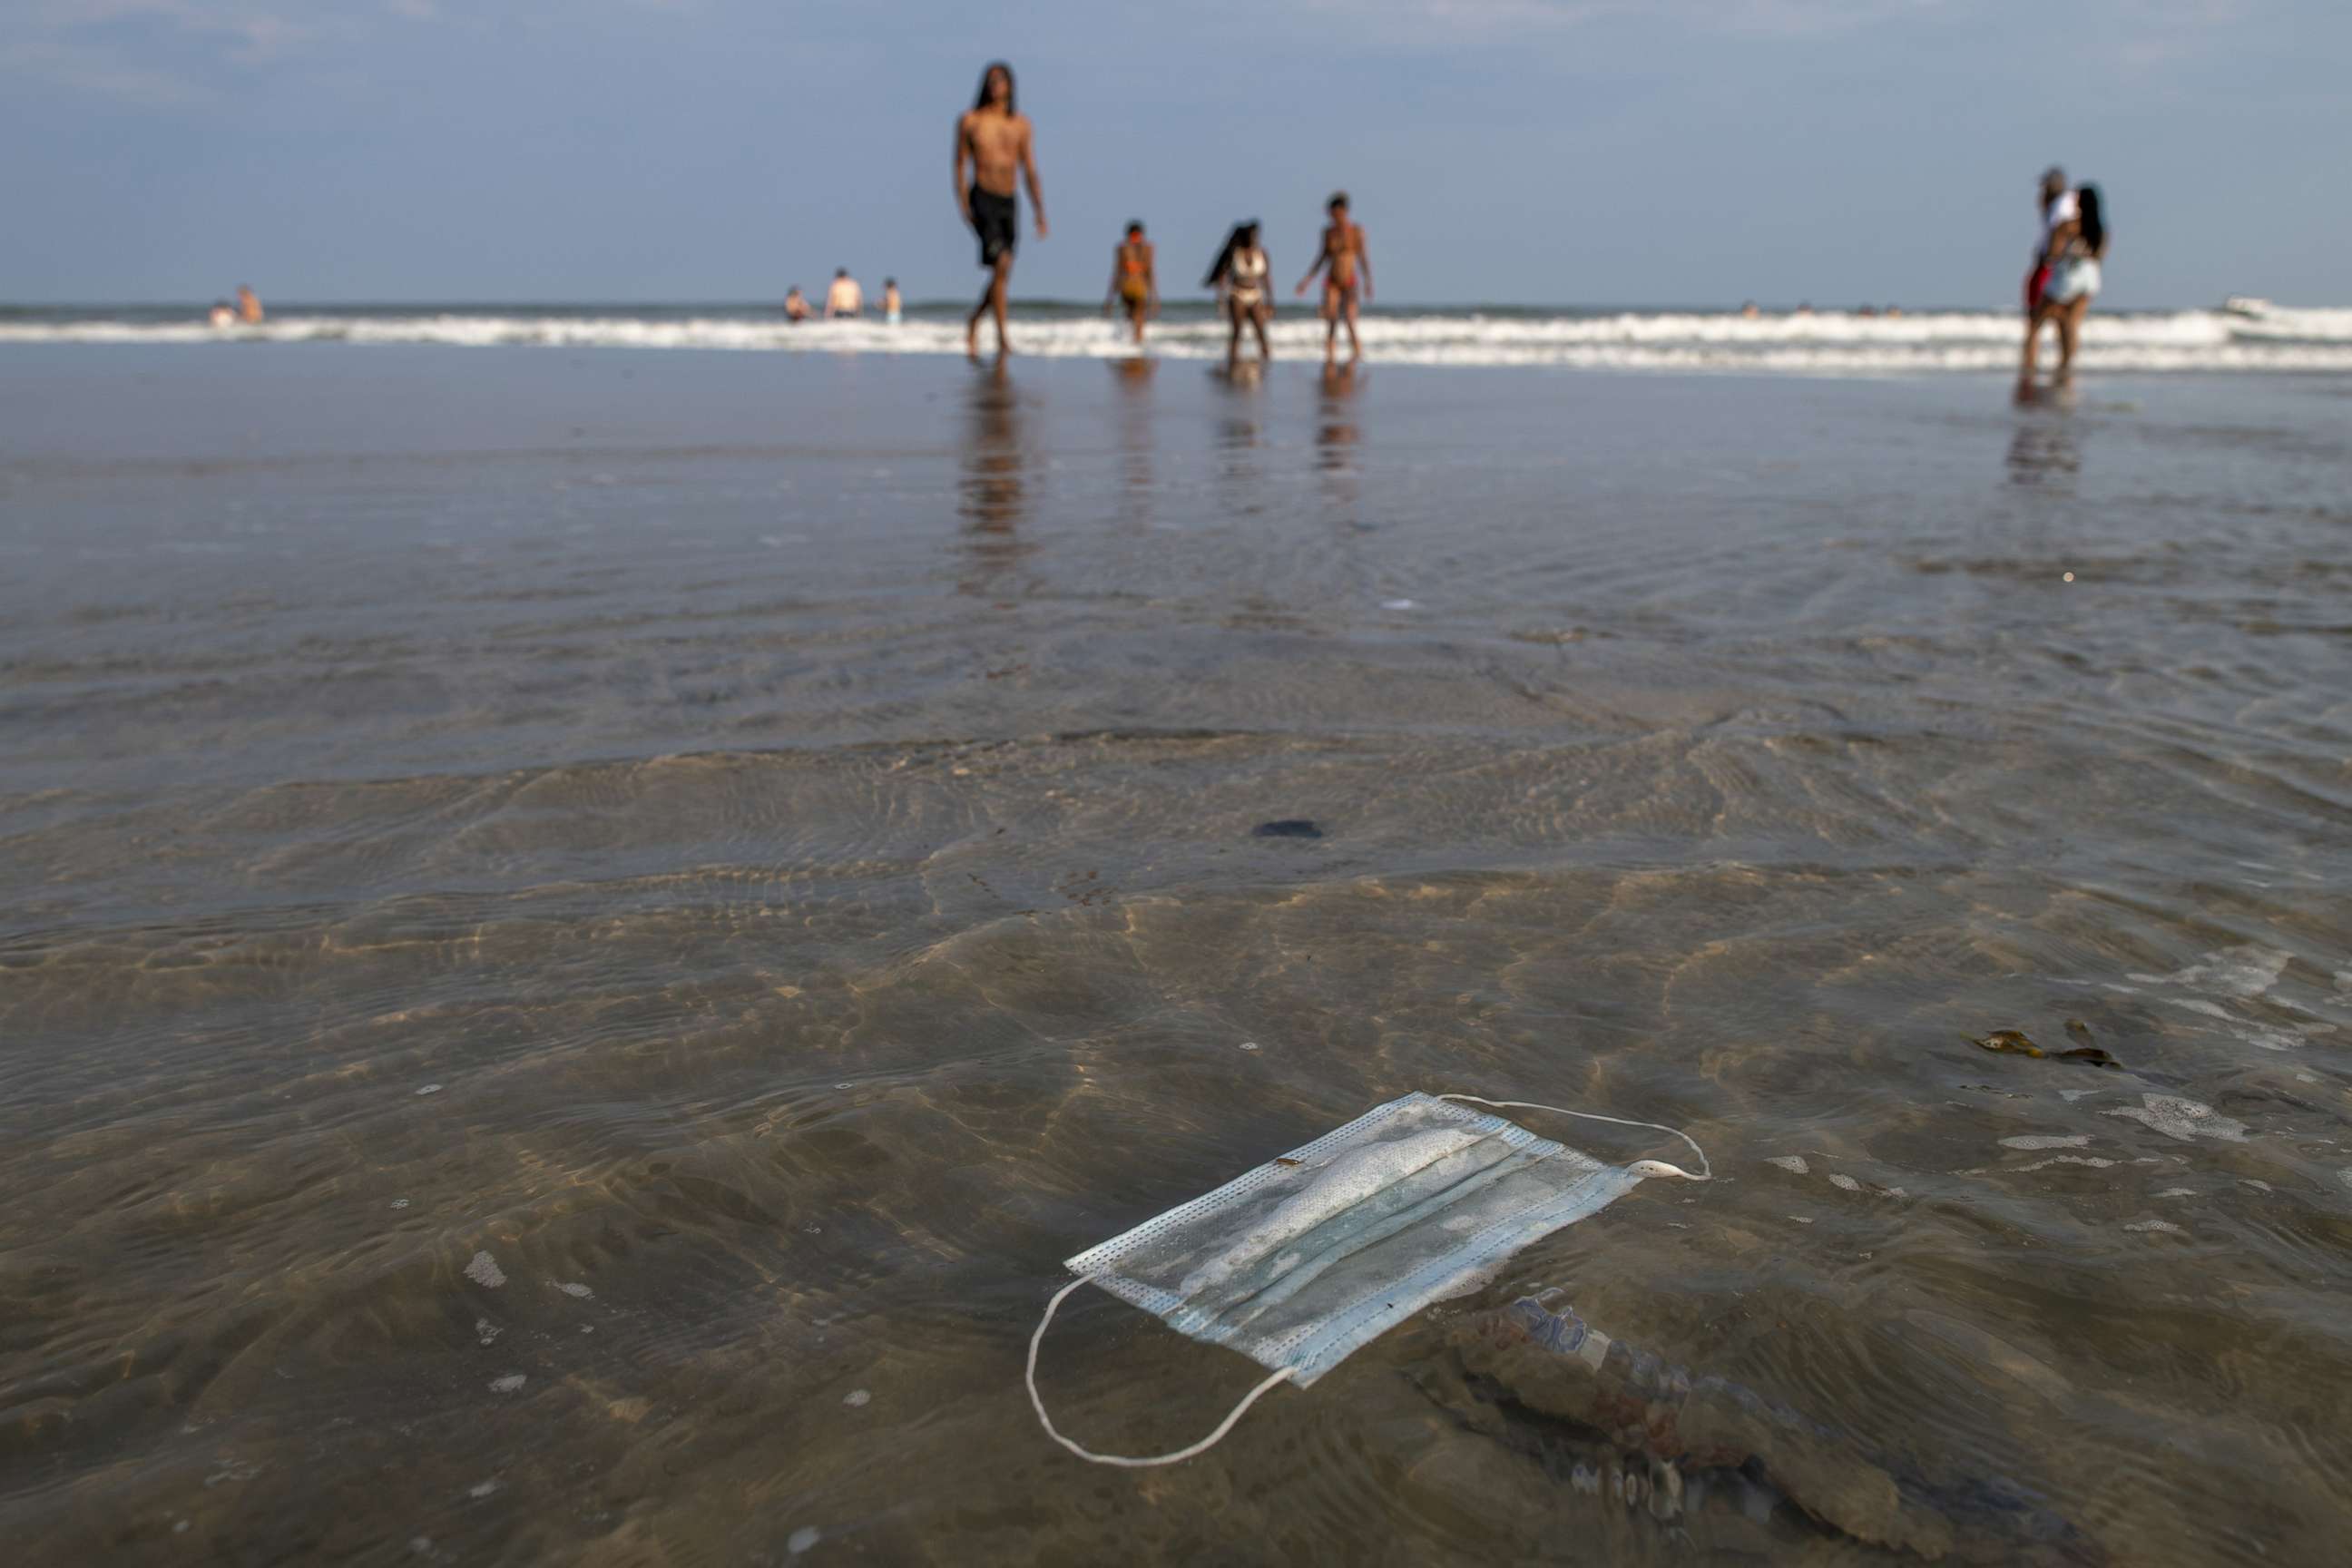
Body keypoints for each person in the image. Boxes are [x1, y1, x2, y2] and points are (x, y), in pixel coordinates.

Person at [955, 61, 1047, 357]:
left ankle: (975, 320)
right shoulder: (971, 121)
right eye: (991, 80)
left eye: (1002, 80)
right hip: (983, 196)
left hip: (1010, 199)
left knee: (1003, 271)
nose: (996, 85)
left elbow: (1030, 168)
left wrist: (1039, 211)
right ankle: (1002, 336)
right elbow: (959, 164)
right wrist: (963, 203)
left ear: (1010, 85)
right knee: (1002, 264)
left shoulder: (1020, 123)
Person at [2020, 172, 2107, 394]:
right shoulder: (2100, 230)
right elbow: (2099, 255)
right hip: (2090, 276)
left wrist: (2049, 257)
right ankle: (2067, 366)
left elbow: (2053, 252)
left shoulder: (2068, 225)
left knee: (2035, 323)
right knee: (2072, 323)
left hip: (2068, 274)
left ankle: (2029, 368)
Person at [1295, 191, 1370, 364]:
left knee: (1350, 320)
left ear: (1343, 211)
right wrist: (1306, 281)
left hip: (1350, 281)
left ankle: (1358, 356)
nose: (1332, 216)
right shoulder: (1328, 232)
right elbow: (1321, 258)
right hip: (1332, 281)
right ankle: (1330, 357)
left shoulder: (1356, 231)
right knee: (1331, 320)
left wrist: (1367, 282)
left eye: (1335, 212)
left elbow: (1363, 258)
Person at [1206, 220, 1272, 371]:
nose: (1254, 238)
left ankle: (1268, 362)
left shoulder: (1262, 253)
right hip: (1237, 293)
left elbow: (1267, 278)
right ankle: (1232, 361)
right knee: (1237, 331)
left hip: (1256, 294)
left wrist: (1270, 301)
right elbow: (1221, 276)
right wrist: (1220, 298)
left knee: (1261, 331)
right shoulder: (1235, 254)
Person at [1103, 220, 1158, 346]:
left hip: (1125, 285)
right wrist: (1154, 296)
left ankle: (1130, 342)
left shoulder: (1122, 248)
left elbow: (1116, 272)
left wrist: (1109, 298)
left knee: (1130, 314)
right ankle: (1137, 342)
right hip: (1138, 285)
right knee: (1138, 316)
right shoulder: (1147, 248)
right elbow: (1150, 272)